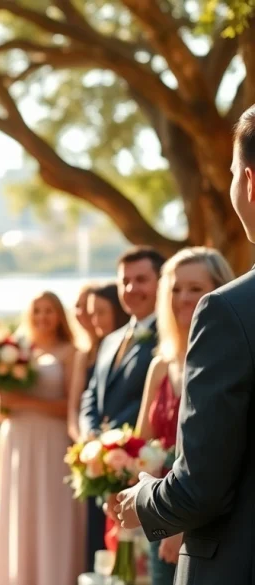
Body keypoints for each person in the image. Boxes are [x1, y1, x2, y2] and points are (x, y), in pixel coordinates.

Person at [116, 104, 255, 585]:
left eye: (232, 172)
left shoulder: (229, 311)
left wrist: (143, 499)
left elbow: (202, 488)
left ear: (251, 182)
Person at [132, 247, 234, 584]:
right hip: (159, 513)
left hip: (209, 520)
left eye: (196, 288)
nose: (184, 298)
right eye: (176, 289)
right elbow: (142, 445)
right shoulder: (160, 365)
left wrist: (180, 524)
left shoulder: (231, 360)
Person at [78, 246, 165, 570]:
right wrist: (91, 436)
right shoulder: (111, 339)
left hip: (142, 466)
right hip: (104, 464)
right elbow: (91, 395)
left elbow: (148, 401)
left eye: (141, 279)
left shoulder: (166, 338)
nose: (131, 288)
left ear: (161, 282)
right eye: (125, 281)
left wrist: (117, 442)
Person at [0, 292, 84, 585]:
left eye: (49, 310)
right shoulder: (13, 350)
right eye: (37, 310)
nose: (43, 317)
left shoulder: (71, 352)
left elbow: (71, 407)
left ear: (59, 315)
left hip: (52, 443)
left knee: (51, 512)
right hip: (17, 441)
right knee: (20, 512)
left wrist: (23, 402)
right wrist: (1, 402)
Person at [68, 283, 130, 441]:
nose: (94, 320)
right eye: (92, 314)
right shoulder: (86, 355)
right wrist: (84, 441)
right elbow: (75, 407)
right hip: (89, 438)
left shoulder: (132, 348)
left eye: (100, 313)